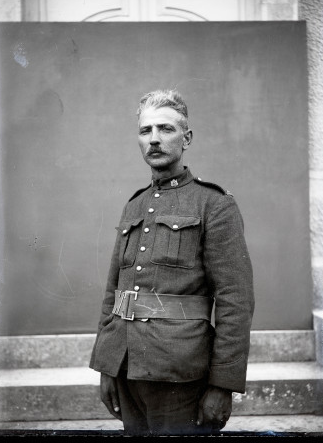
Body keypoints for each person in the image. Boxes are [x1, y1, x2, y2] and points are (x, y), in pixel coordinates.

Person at [89, 89, 254, 436]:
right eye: (145, 131)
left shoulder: (214, 205)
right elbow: (113, 291)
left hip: (182, 371)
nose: (154, 140)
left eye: (165, 129)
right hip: (125, 366)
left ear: (187, 138)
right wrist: (106, 365)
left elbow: (235, 301)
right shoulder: (134, 205)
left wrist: (223, 384)